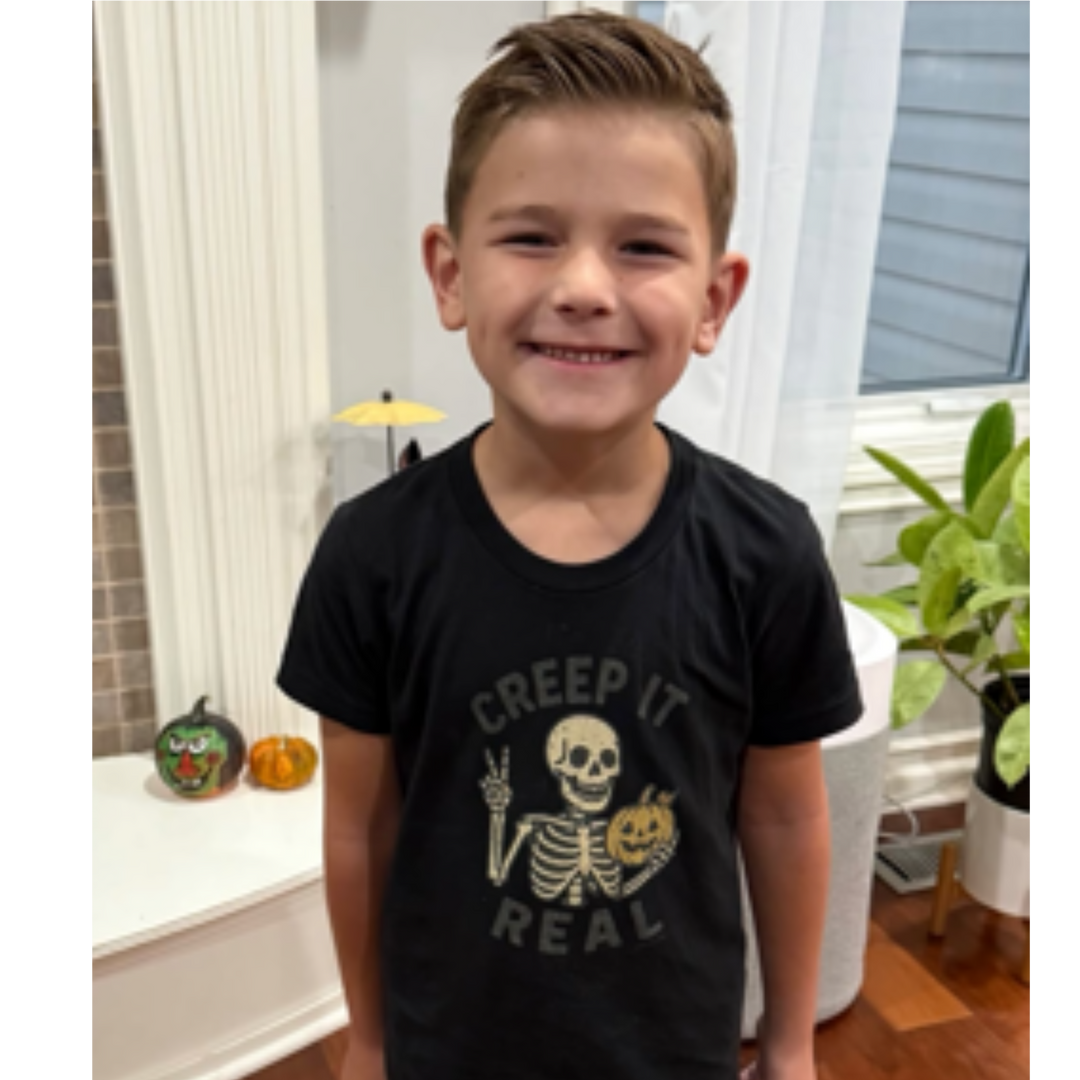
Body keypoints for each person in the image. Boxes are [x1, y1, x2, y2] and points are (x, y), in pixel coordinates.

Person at [278, 11, 863, 1080]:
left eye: (643, 246)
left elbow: (783, 819)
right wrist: (366, 1037)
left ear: (713, 300)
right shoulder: (371, 558)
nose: (586, 285)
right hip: (445, 1052)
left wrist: (788, 1047)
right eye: (532, 235)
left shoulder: (768, 553)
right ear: (450, 275)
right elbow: (361, 827)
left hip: (673, 1055)